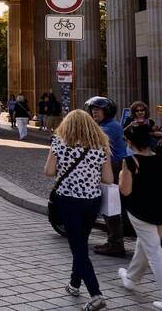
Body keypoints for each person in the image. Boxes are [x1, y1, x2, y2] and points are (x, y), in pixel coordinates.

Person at [45, 109, 113, 311]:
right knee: (81, 241)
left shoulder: (59, 142)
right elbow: (108, 179)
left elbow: (49, 171)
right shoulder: (101, 145)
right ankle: (75, 284)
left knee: (78, 248)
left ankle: (96, 294)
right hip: (92, 201)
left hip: (68, 200)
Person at [116, 123, 162, 311]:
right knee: (144, 245)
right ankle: (131, 278)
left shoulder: (130, 162)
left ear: (130, 142)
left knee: (154, 253)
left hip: (142, 213)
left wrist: (122, 174)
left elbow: (125, 191)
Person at [86, 96, 129, 258]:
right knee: (111, 206)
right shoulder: (104, 125)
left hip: (114, 168)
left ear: (107, 111)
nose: (94, 113)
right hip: (112, 167)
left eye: (98, 110)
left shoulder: (109, 127)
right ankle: (114, 240)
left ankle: (116, 244)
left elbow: (92, 142)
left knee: (111, 207)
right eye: (92, 110)